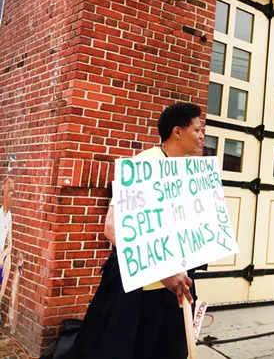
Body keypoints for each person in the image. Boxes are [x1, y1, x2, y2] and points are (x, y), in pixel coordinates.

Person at [64, 102, 205, 359]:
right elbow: (112, 228)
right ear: (177, 132)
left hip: (174, 288)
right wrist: (163, 270)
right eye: (197, 129)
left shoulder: (189, 172)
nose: (202, 135)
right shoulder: (145, 165)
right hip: (141, 291)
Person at [0, 177, 14, 308]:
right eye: (9, 194)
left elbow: (10, 241)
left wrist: (4, 254)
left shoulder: (9, 215)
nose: (11, 198)